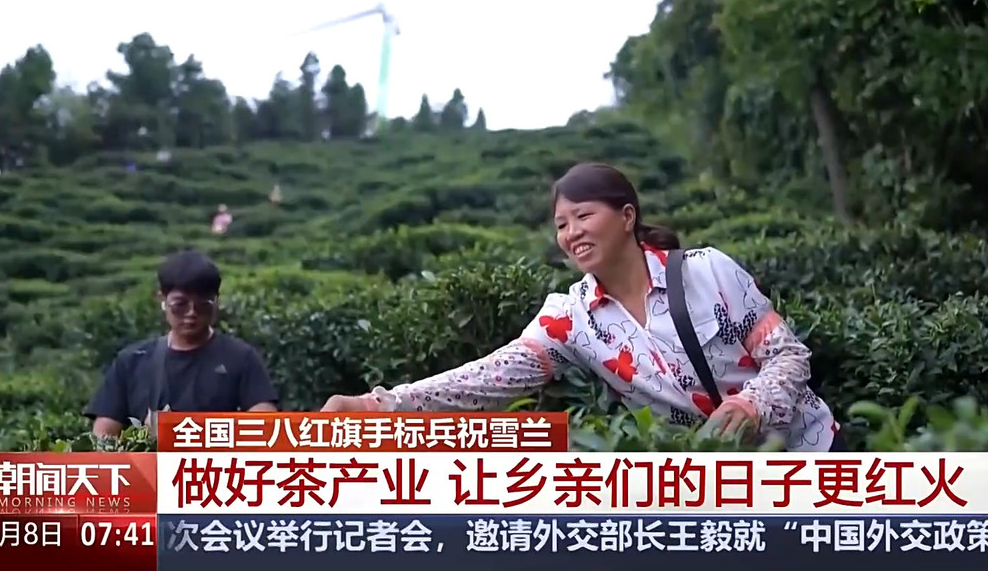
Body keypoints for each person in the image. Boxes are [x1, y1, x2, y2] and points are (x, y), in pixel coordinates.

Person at [322, 162, 842, 451]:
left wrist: (752, 404)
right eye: (561, 224)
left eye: (583, 216)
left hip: (803, 456)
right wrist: (379, 406)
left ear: (627, 217)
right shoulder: (571, 319)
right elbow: (489, 378)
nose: (571, 233)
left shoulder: (705, 271)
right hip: (714, 481)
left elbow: (788, 355)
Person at [84, 250, 279, 438]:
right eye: (180, 305)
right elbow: (103, 435)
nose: (191, 313)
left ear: (216, 302)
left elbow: (265, 423)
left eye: (203, 305)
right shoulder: (132, 360)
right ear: (162, 300)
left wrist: (190, 432)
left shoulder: (240, 358)